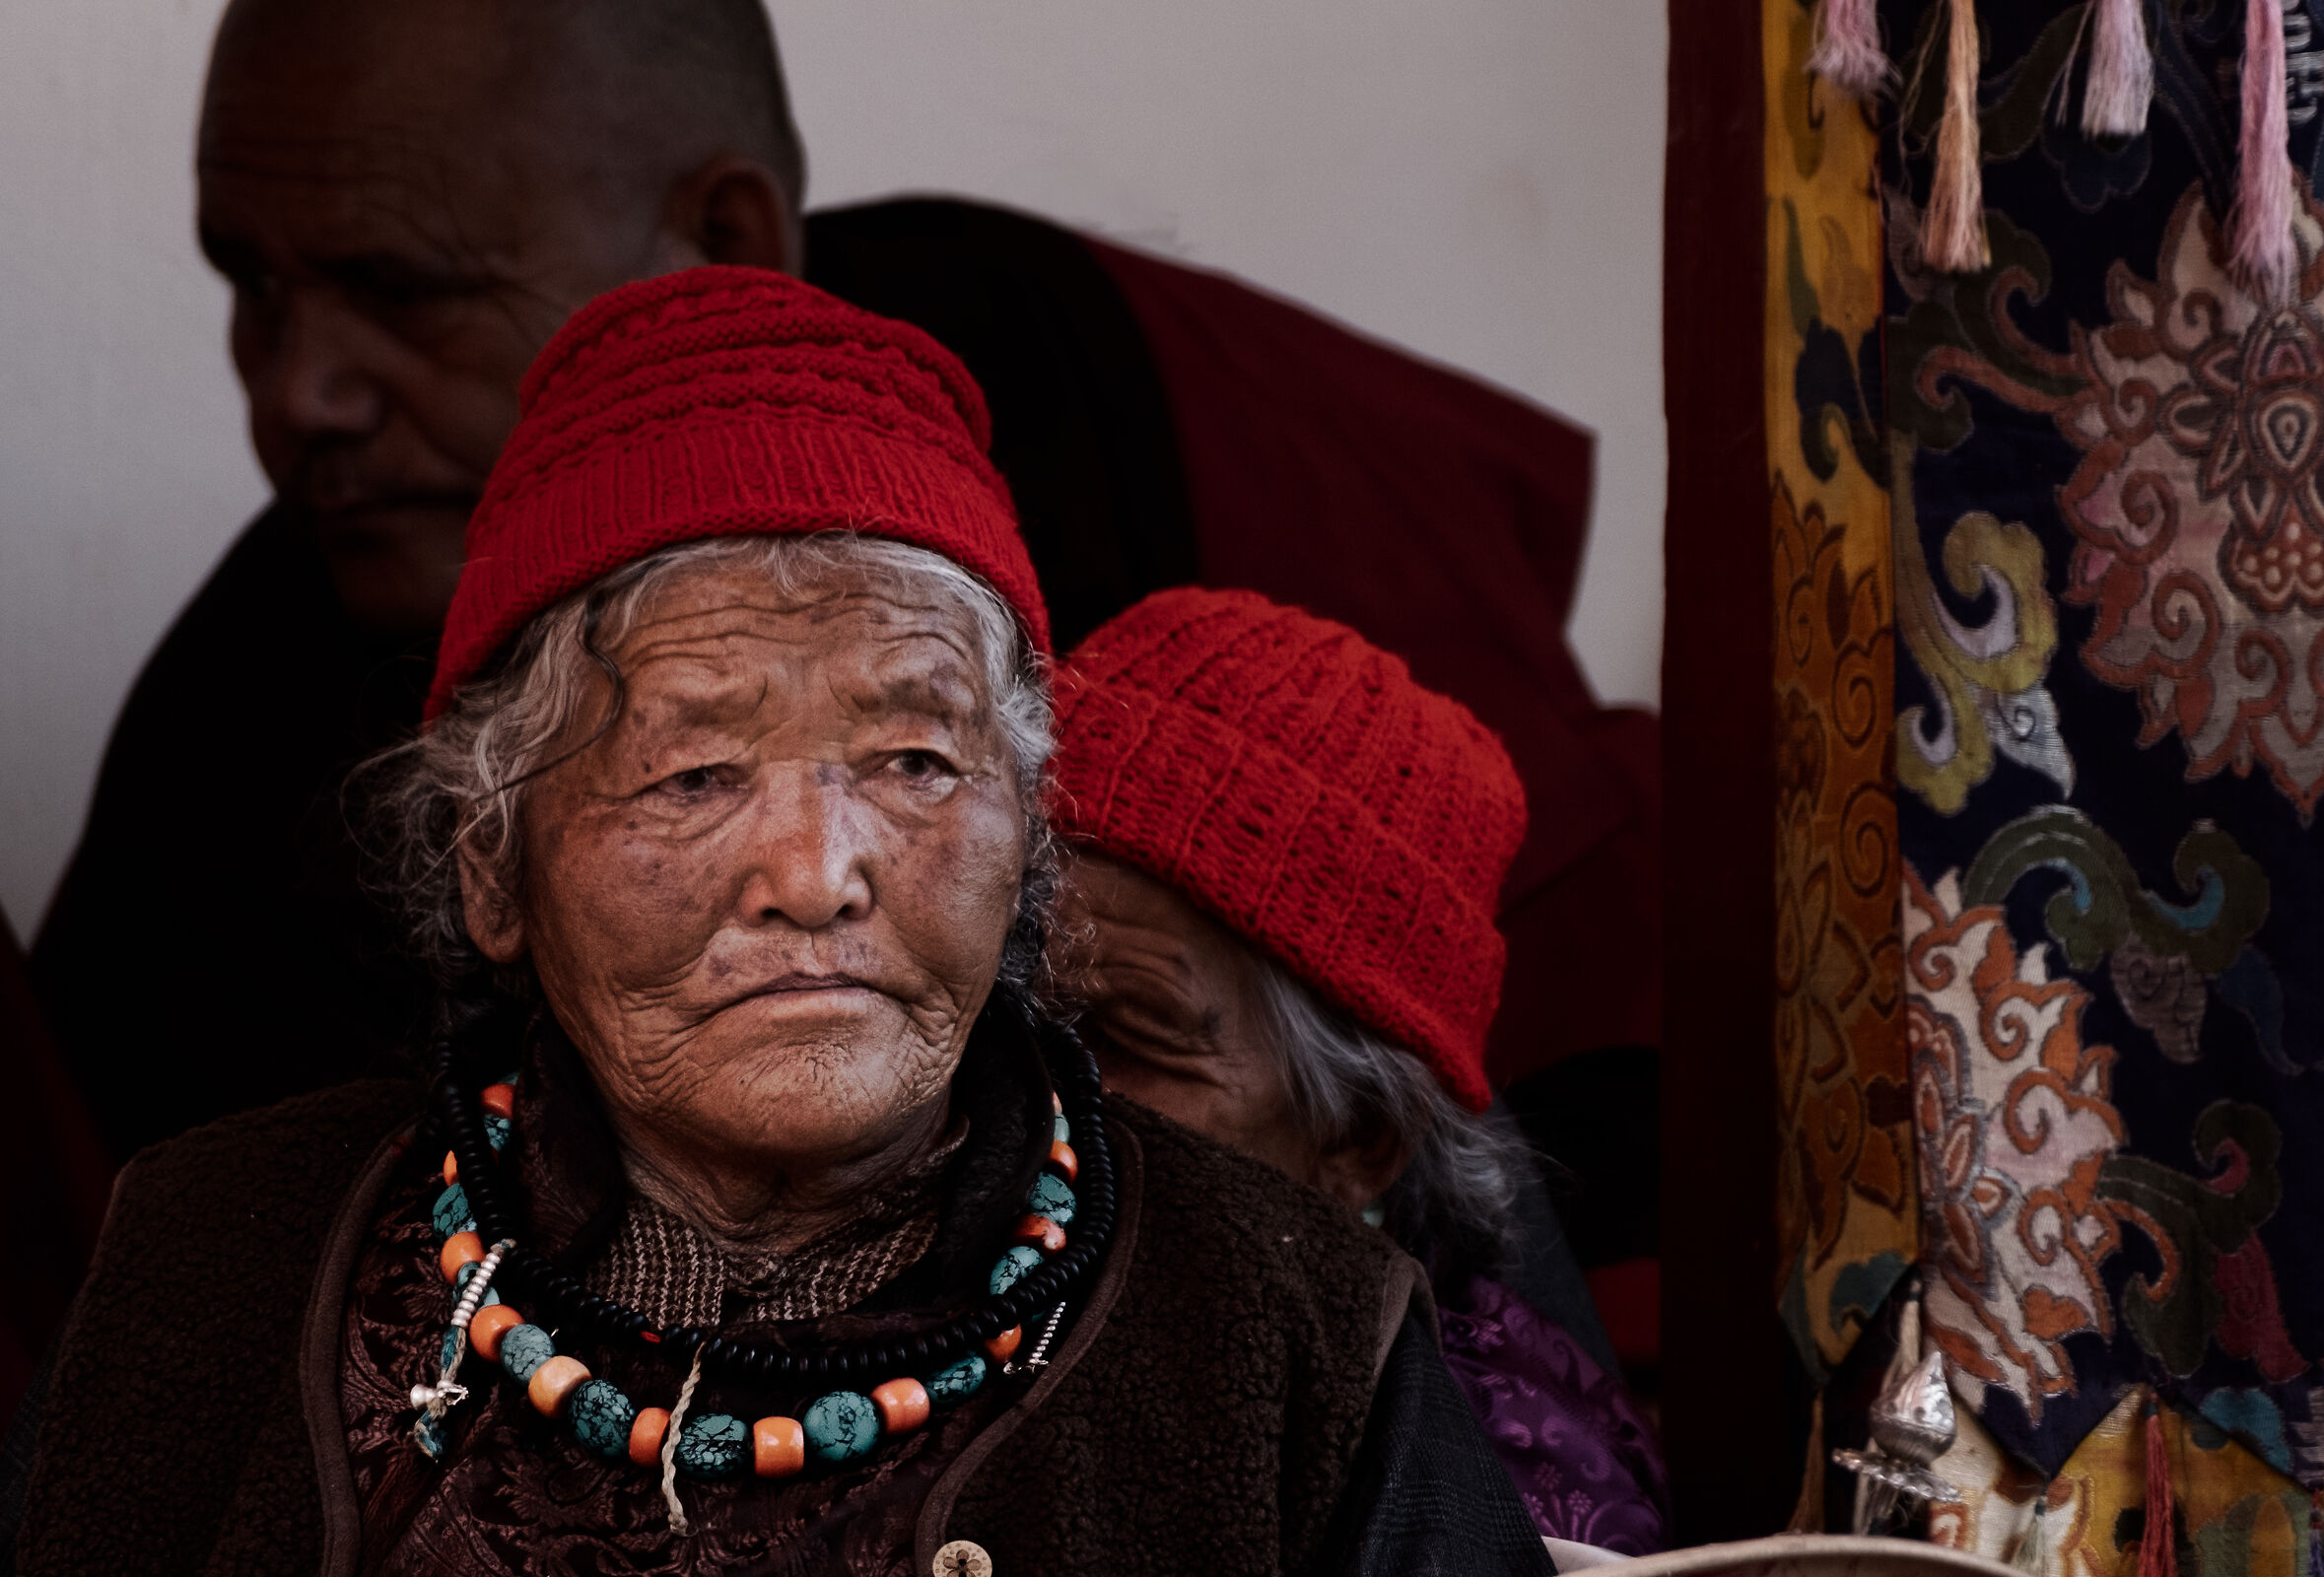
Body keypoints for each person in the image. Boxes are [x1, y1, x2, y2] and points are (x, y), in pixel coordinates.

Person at [4, 271, 1554, 1577]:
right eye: (693, 769)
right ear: (493, 862)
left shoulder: (1291, 1339)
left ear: (1026, 831)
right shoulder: (214, 1261)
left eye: (916, 761)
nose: (818, 872)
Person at [29, 0, 1656, 1173]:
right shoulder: (242, 720)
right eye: (682, 773)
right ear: (476, 865)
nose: (298, 394)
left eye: (402, 287)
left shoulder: (1099, 442)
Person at [1048, 586, 1669, 1557]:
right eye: (1004, 1009)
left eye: (1126, 1035)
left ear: (1358, 1140)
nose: (1037, 1087)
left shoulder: (1494, 1496)